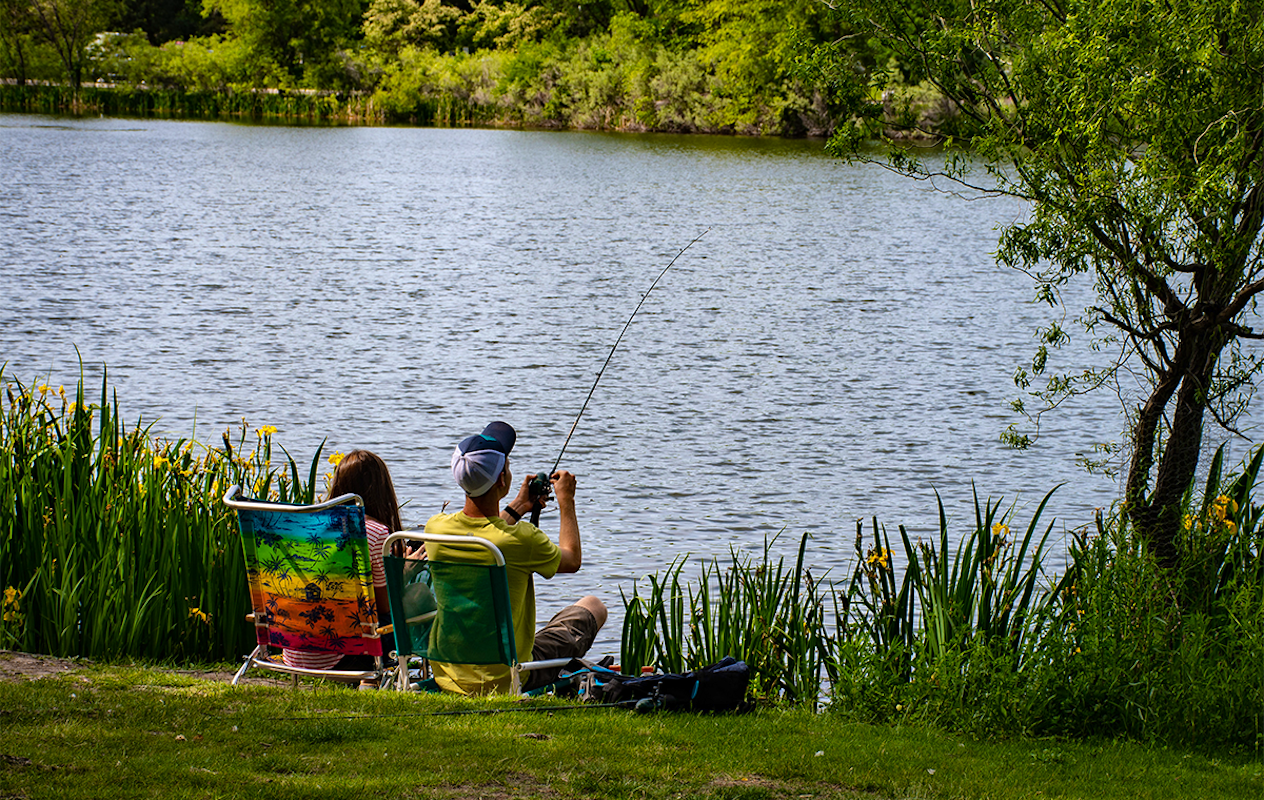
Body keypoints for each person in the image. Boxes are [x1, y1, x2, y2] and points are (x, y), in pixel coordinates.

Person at [424, 421, 607, 695]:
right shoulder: (522, 539)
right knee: (593, 606)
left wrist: (519, 506)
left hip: (449, 674)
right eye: (507, 465)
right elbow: (571, 560)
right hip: (506, 676)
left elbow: (487, 535)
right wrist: (566, 500)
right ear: (501, 480)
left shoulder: (436, 529)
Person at [282, 449, 403, 672]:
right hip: (343, 656)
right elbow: (385, 606)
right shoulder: (375, 533)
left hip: (295, 650)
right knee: (407, 611)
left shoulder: (307, 527)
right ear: (382, 490)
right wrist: (404, 571)